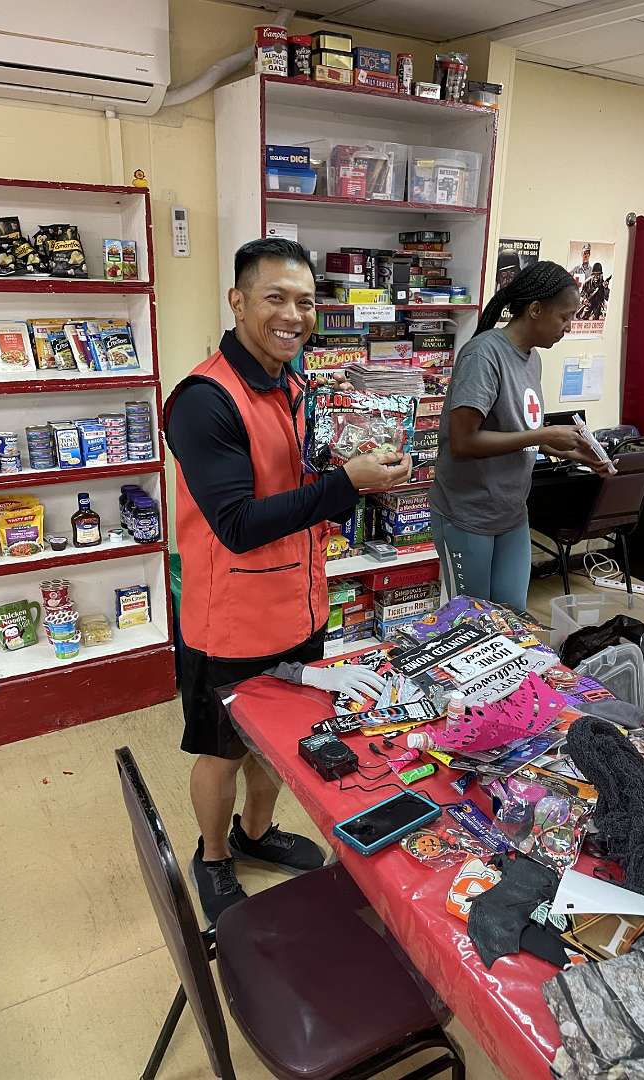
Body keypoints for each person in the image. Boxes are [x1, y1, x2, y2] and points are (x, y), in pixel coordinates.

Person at [165, 238, 410, 922]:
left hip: (300, 608)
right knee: (221, 751)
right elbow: (237, 524)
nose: (293, 315)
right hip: (229, 621)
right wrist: (343, 484)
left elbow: (303, 488)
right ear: (238, 301)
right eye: (275, 298)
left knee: (279, 740)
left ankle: (255, 832)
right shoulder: (204, 400)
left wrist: (360, 471)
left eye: (305, 301)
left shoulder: (297, 388)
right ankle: (215, 855)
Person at [429, 261, 610, 611]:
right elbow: (463, 442)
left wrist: (572, 452)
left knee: (513, 616)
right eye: (564, 317)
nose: (569, 327)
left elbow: (516, 432)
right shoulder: (483, 355)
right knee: (473, 620)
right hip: (467, 514)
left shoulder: (531, 359)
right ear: (536, 309)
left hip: (511, 513)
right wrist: (542, 434)